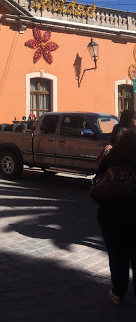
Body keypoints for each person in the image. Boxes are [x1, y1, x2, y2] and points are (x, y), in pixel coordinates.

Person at [95, 128, 136, 304]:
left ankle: (118, 291)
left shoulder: (110, 156)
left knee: (116, 253)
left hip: (110, 214)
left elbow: (97, 179)